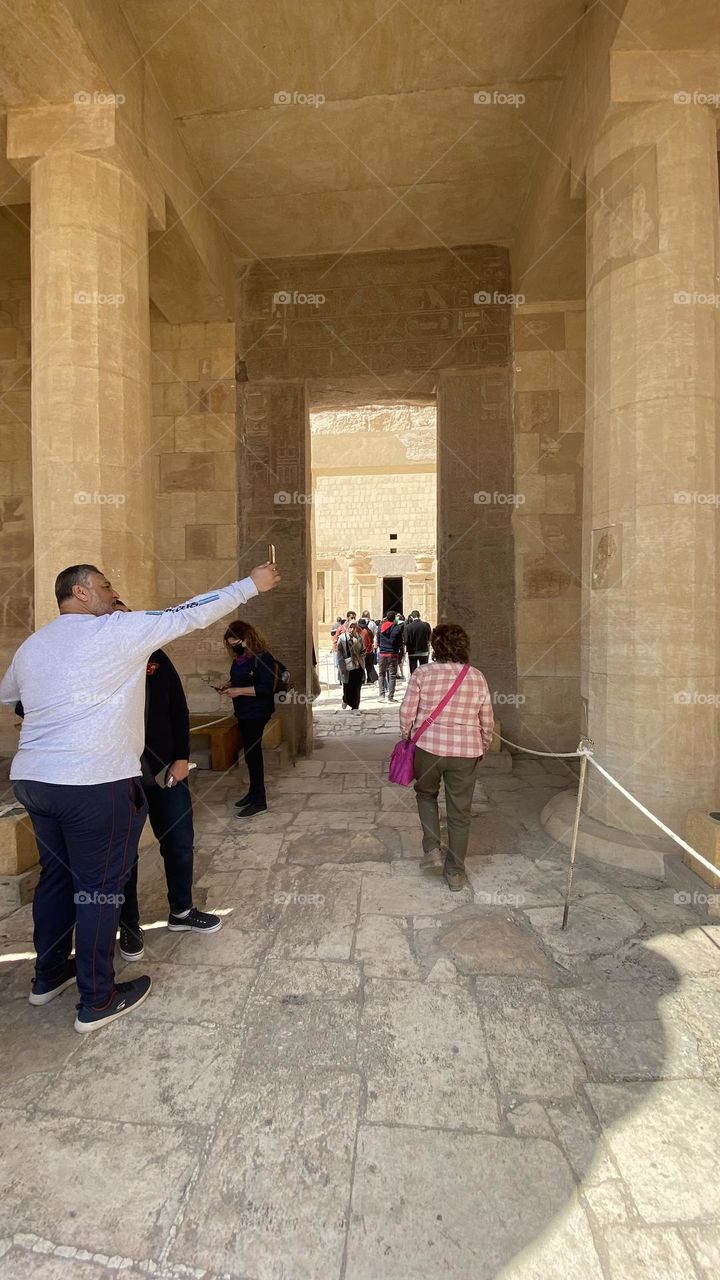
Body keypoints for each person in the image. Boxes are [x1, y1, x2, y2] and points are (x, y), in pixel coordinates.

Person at [0, 560, 279, 1033]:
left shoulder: (34, 644)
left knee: (56, 880)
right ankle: (97, 998)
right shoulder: (114, 630)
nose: (113, 593)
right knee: (99, 889)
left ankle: (47, 975)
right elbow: (187, 612)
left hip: (35, 780)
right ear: (82, 592)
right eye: (106, 586)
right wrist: (251, 585)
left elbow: (12, 698)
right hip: (92, 782)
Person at [111, 601, 220, 961]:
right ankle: (128, 926)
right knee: (124, 855)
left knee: (179, 841)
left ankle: (182, 911)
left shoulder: (155, 655)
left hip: (164, 770)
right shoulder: (96, 662)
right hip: (117, 773)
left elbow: (178, 706)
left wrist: (183, 758)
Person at [399, 623, 494, 892]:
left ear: (435, 646)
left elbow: (407, 712)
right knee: (460, 812)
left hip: (428, 748)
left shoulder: (422, 673)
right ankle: (455, 873)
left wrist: (407, 737)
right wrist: (484, 744)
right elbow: (487, 719)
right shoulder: (476, 676)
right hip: (466, 751)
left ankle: (432, 848)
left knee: (426, 795)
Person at [220, 620, 280, 816]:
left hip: (257, 712)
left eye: (235, 643)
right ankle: (253, 793)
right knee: (250, 755)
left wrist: (238, 691)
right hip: (244, 712)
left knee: (253, 756)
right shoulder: (241, 659)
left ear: (246, 639)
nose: (232, 647)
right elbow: (241, 679)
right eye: (230, 644)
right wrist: (228, 685)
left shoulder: (263, 658)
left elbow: (265, 688)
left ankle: (259, 800)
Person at [336, 619, 366, 710]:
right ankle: (346, 699)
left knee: (357, 687)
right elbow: (339, 654)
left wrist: (362, 654)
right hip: (347, 667)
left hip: (358, 666)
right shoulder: (342, 639)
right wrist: (342, 668)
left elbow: (363, 650)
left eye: (354, 627)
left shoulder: (359, 638)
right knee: (348, 687)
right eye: (350, 627)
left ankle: (355, 707)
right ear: (347, 627)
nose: (352, 629)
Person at [377, 610, 404, 702]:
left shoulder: (380, 627)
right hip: (392, 654)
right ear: (394, 618)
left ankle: (381, 695)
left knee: (381, 674)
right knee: (392, 675)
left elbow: (378, 640)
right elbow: (400, 642)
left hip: (382, 653)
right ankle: (390, 697)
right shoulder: (397, 628)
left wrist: (382, 648)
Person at [358, 617, 377, 684]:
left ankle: (368, 679)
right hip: (370, 651)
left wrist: (364, 651)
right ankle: (370, 679)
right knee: (369, 666)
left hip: (366, 652)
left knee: (363, 666)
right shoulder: (368, 630)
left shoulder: (364, 632)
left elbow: (365, 643)